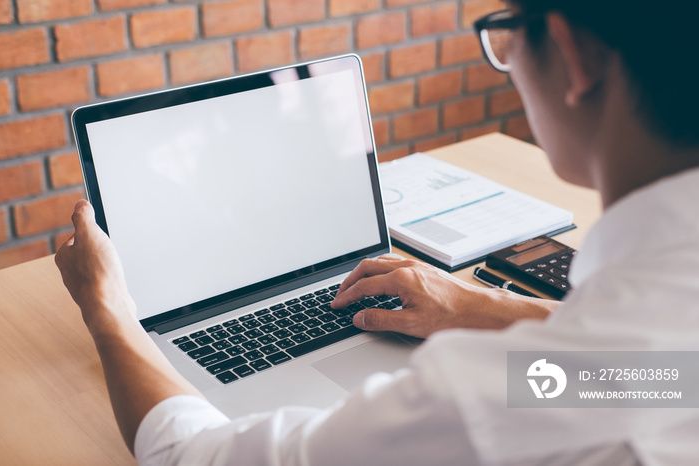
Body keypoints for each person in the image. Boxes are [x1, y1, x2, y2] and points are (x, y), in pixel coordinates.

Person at [55, 1, 699, 464]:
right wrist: (491, 309)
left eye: (504, 31)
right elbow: (649, 371)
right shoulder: (655, 324)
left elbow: (195, 454)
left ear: (572, 54)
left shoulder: (477, 403)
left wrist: (110, 313)